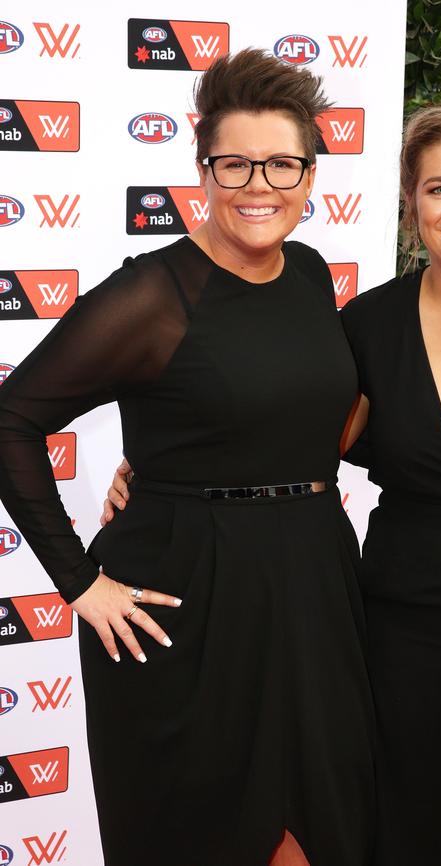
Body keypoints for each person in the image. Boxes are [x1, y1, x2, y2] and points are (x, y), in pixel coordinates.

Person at [104, 97, 441, 864]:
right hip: (393, 638)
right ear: (411, 204)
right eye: (438, 187)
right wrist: (159, 465)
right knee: (402, 847)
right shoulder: (367, 325)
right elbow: (289, 429)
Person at [0, 49, 375, 866]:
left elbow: (291, 415)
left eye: (282, 163)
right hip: (188, 600)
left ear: (312, 174)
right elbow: (12, 421)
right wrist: (79, 583)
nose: (259, 185)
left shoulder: (311, 274)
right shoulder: (154, 295)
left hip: (313, 581)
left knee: (321, 832)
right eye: (234, 163)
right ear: (201, 167)